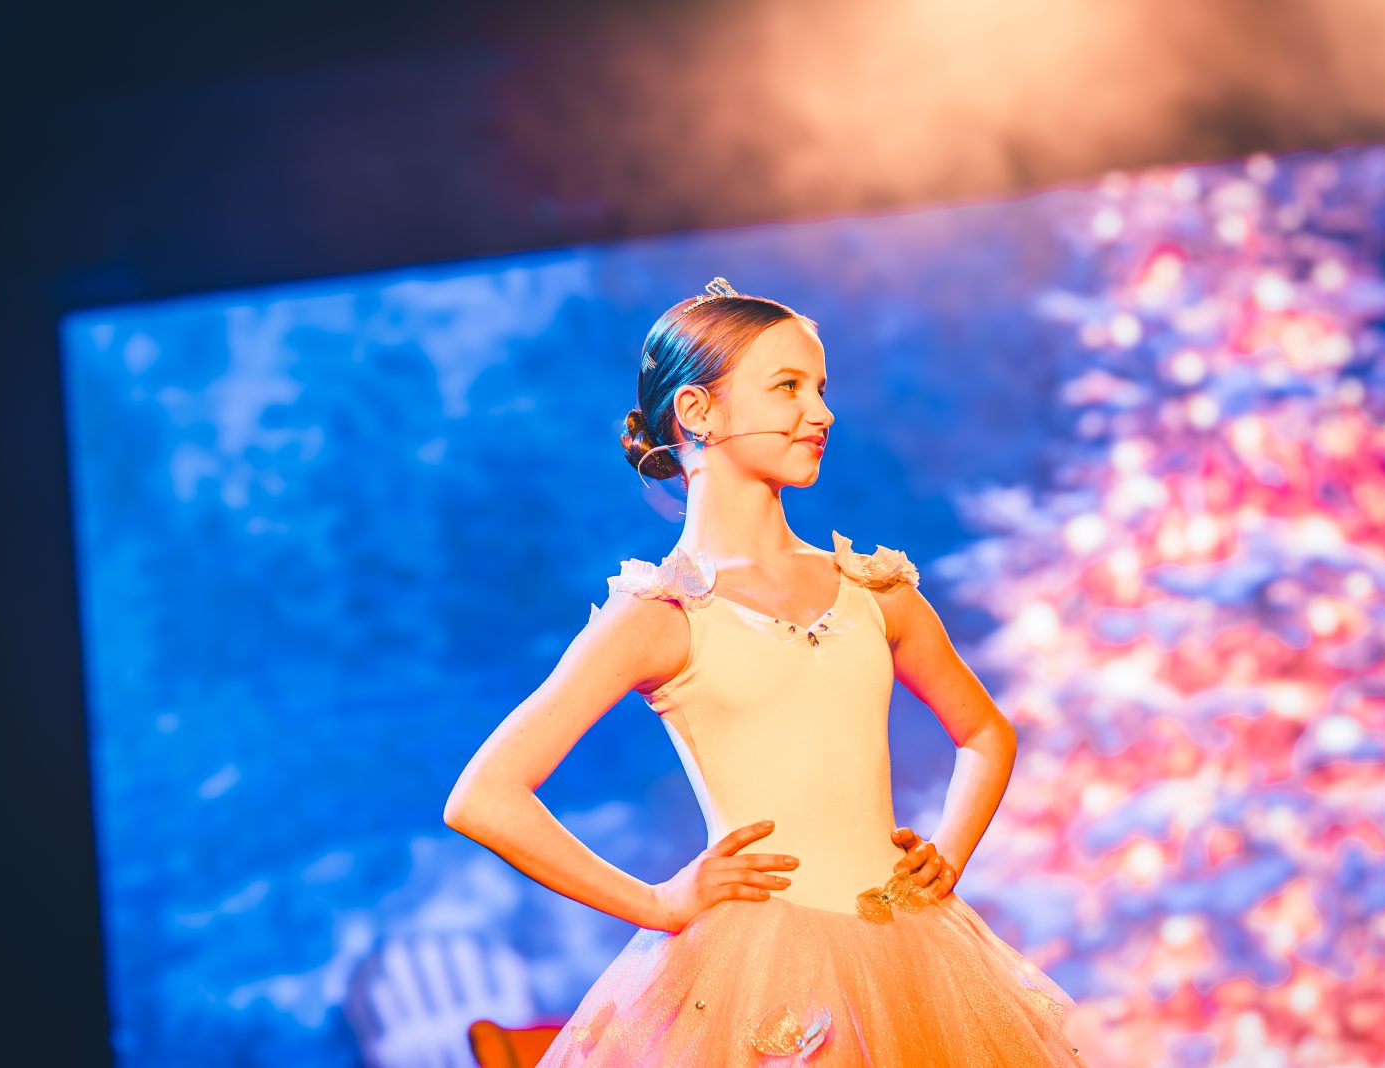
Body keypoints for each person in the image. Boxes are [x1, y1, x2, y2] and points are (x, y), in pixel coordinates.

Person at [443, 278, 1087, 1064]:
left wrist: (947, 855)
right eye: (787, 387)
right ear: (697, 411)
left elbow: (984, 732)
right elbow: (485, 797)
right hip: (755, 971)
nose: (821, 413)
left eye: (821, 388)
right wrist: (656, 903)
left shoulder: (875, 591)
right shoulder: (663, 613)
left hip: (914, 951)